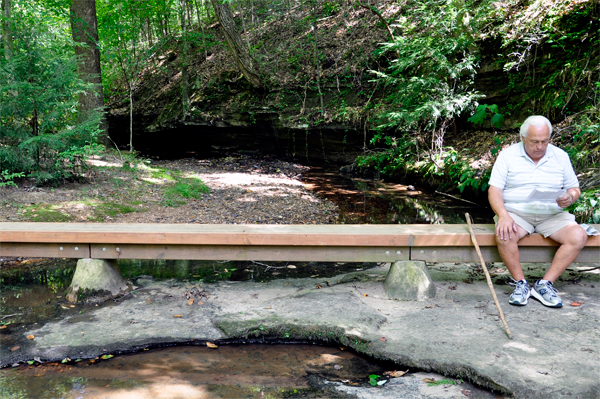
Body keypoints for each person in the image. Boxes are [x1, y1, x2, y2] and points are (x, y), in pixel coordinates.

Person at [488, 115, 588, 308]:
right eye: (534, 142)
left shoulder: (560, 156)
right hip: (517, 214)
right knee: (504, 234)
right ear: (523, 138)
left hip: (552, 214)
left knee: (578, 235)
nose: (540, 147)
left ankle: (544, 285)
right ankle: (520, 284)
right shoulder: (508, 155)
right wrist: (503, 215)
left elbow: (574, 188)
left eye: (544, 141)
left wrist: (570, 197)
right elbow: (495, 190)